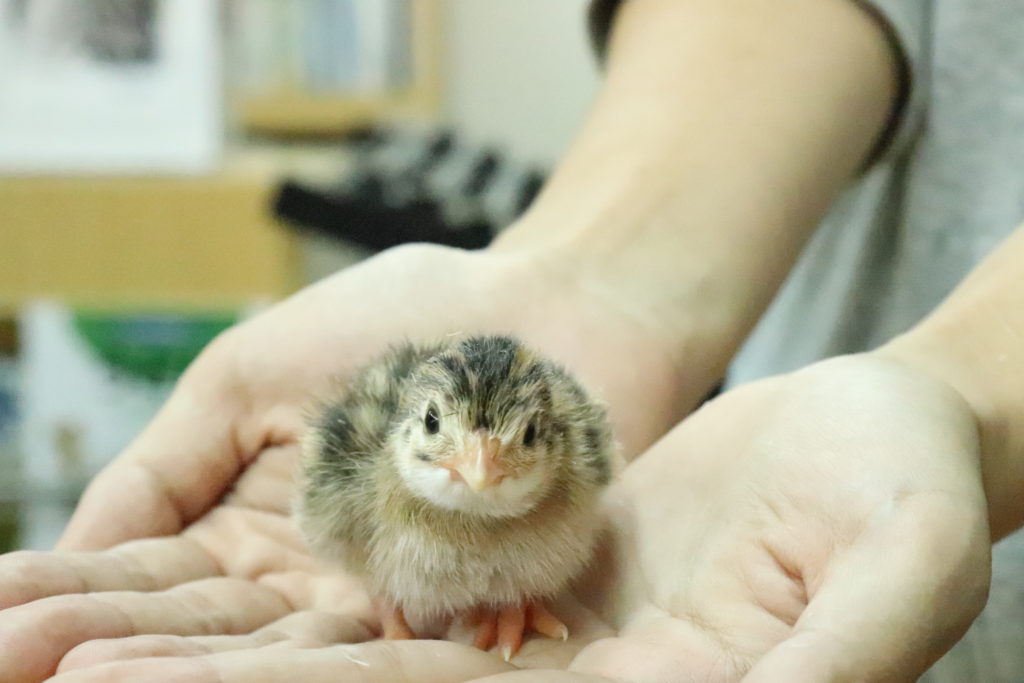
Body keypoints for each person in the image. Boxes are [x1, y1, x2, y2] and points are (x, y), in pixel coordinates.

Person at [0, 0, 1021, 680]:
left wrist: (969, 385)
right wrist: (603, 276)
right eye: (449, 433)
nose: (480, 467)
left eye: (516, 444)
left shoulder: (569, 478)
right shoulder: (380, 473)